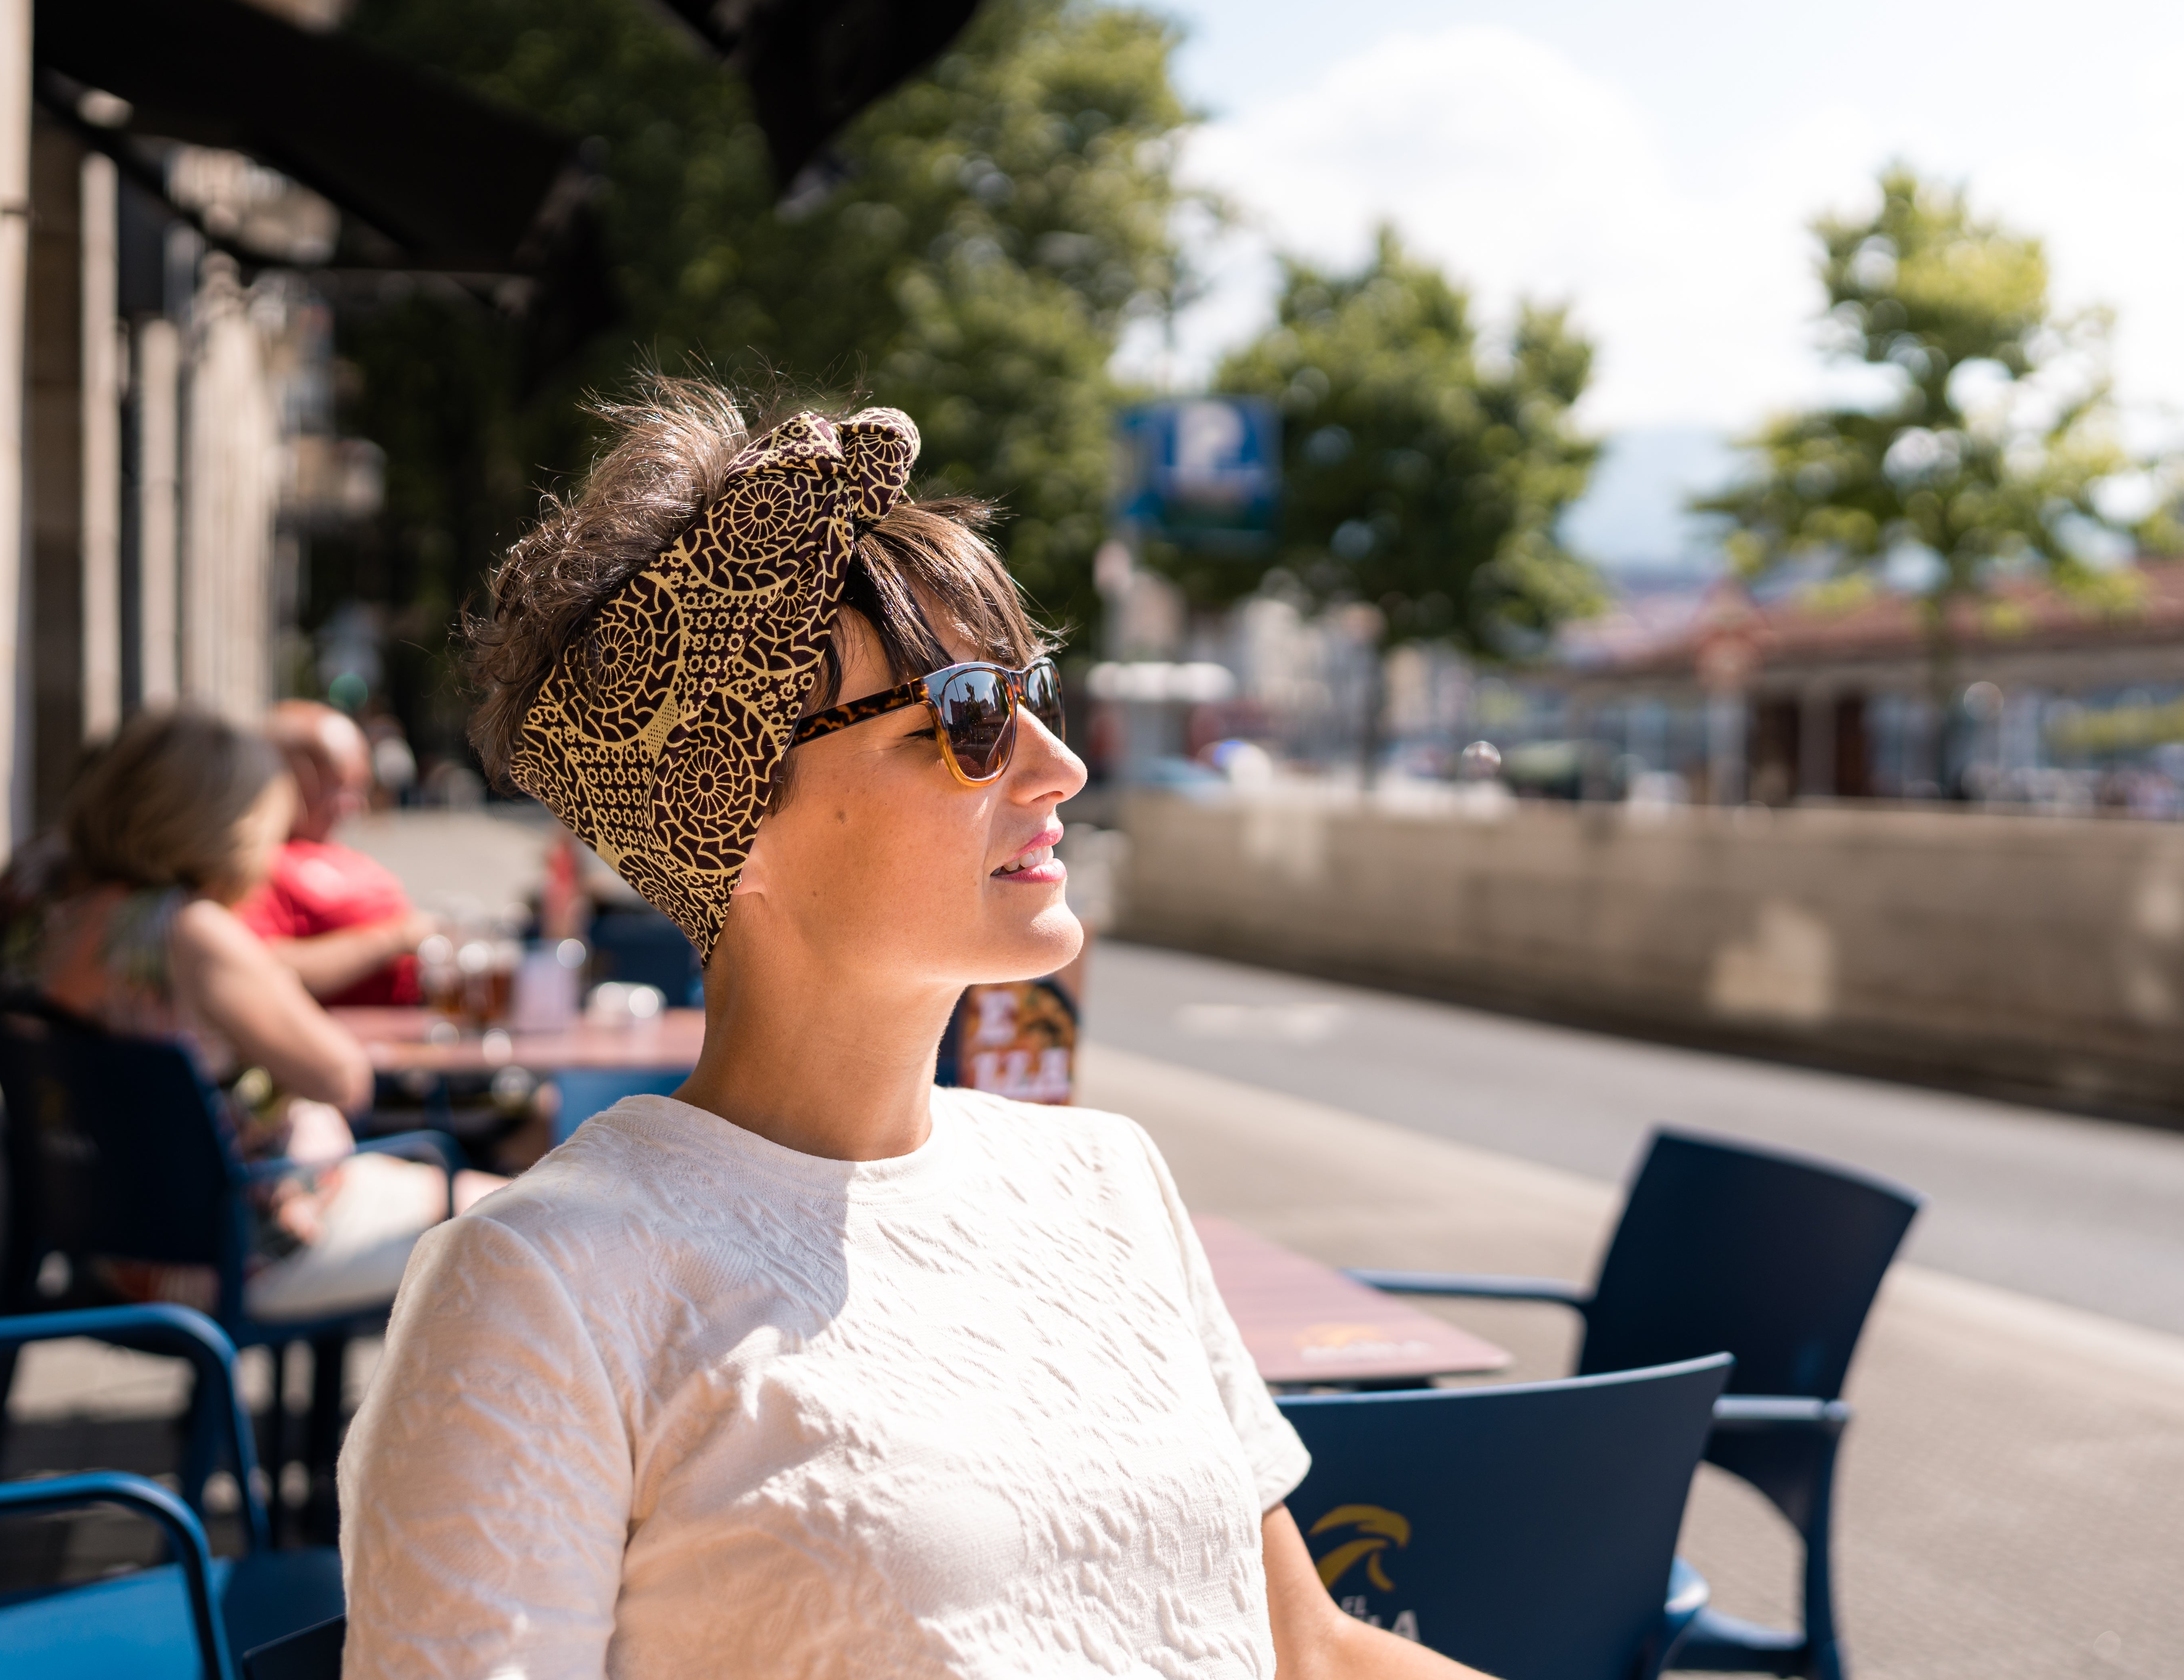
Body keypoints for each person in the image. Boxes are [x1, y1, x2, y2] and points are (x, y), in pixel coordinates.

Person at [339, 380, 1489, 1679]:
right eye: (967, 714)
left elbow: (1312, 1652)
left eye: (1030, 688)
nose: (1059, 765)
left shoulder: (1105, 1179)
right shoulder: (543, 1287)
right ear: (734, 812)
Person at [0, 707, 498, 1318]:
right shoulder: (185, 932)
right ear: (223, 822)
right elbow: (343, 1078)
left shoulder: (22, 887)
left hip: (96, 1236)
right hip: (231, 1249)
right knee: (524, 1215)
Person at [237, 700, 433, 1005]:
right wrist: (397, 938)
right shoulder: (258, 866)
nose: (357, 806)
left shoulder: (330, 849)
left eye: (360, 789)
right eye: (343, 788)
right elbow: (256, 968)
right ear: (293, 778)